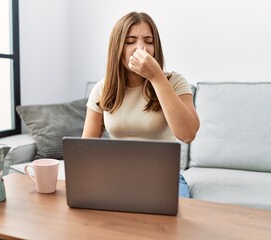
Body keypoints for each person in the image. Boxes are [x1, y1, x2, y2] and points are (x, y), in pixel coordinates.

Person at [82, 12, 200, 198]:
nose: (141, 48)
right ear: (117, 48)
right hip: (118, 178)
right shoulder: (102, 89)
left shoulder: (174, 82)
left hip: (165, 178)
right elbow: (86, 152)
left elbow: (188, 134)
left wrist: (156, 78)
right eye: (130, 41)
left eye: (148, 41)